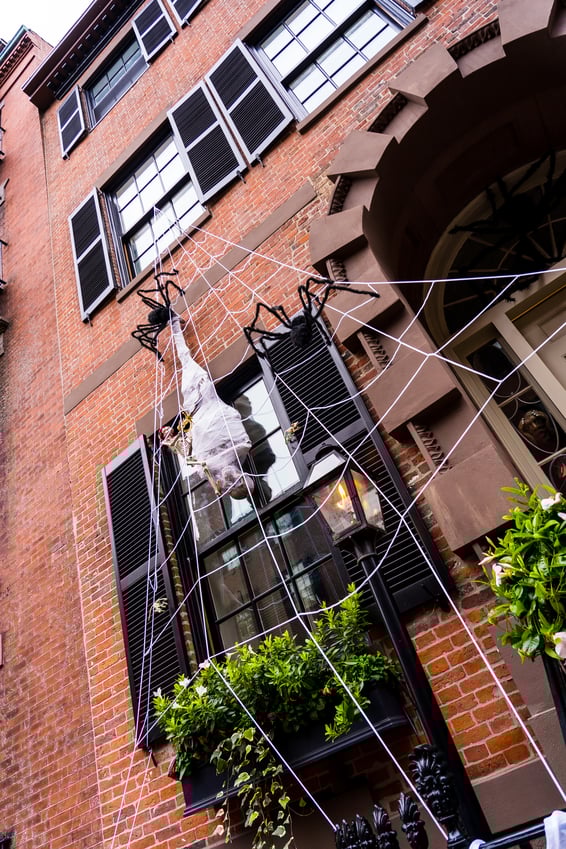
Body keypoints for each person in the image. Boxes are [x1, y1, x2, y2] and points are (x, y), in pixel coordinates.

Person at [160, 314, 253, 499]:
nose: (231, 480)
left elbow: (190, 451)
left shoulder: (206, 469)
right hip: (205, 400)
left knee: (185, 361)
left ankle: (174, 326)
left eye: (231, 485)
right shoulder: (241, 447)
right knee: (185, 360)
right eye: (237, 481)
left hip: (195, 406)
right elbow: (233, 421)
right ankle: (175, 326)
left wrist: (174, 439)